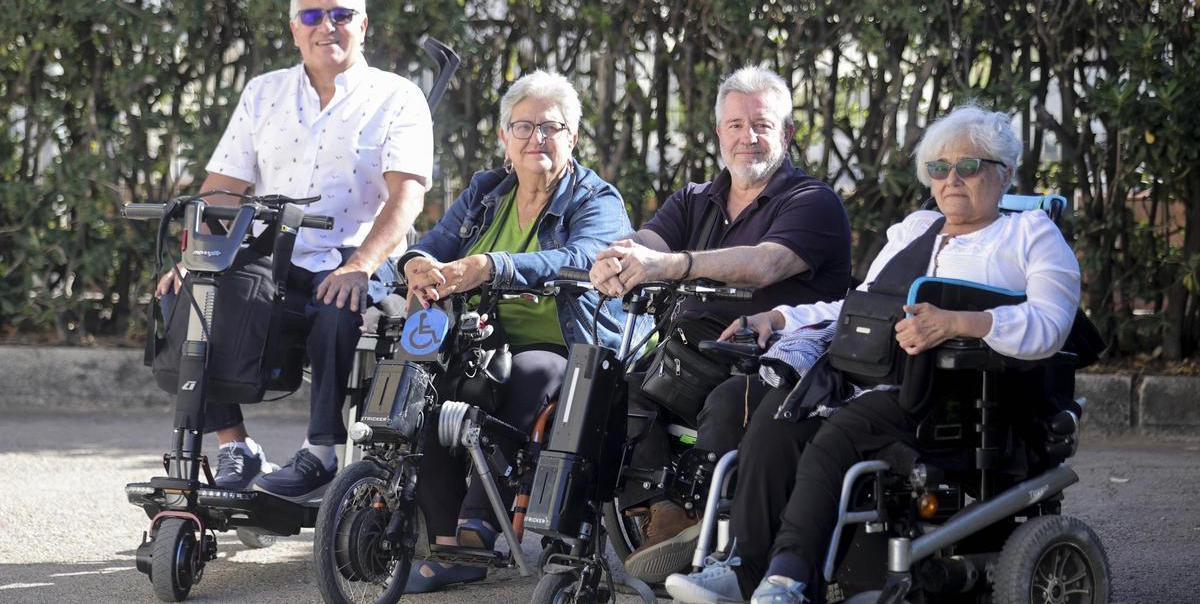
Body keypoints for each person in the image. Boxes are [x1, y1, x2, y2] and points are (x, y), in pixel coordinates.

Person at [665, 105, 1081, 604]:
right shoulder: (913, 231)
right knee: (779, 416)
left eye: (969, 167)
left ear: (1004, 173)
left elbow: (1051, 326)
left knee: (841, 431)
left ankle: (789, 577)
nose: (952, 179)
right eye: (938, 168)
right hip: (879, 374)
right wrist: (777, 319)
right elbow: (858, 308)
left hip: (959, 395)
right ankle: (744, 568)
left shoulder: (1030, 235)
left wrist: (959, 322)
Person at [154, 0, 432, 496]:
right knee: (196, 300)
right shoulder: (264, 93)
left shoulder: (397, 97)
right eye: (312, 15)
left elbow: (406, 199)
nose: (327, 26)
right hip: (273, 256)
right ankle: (235, 446)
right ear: (294, 29)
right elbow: (220, 192)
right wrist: (191, 259)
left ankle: (320, 453)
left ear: (363, 25)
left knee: (336, 308)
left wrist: (359, 266)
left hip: (360, 253)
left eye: (341, 14)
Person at [589, 65, 852, 583]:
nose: (747, 137)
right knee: (612, 394)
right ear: (718, 134)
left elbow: (764, 264)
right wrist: (616, 260)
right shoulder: (695, 198)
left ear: (788, 133)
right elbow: (647, 243)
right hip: (694, 355)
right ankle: (666, 513)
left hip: (777, 363)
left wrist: (675, 265)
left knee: (729, 402)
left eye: (761, 124)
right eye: (735, 125)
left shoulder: (812, 201)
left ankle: (717, 543)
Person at [397, 70, 638, 592]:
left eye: (551, 127)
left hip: (565, 344)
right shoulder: (487, 191)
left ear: (572, 137)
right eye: (523, 127)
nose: (537, 139)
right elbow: (433, 244)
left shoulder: (597, 199)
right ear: (504, 137)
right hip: (483, 338)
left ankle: (476, 534)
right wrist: (416, 266)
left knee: (523, 378)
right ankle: (437, 536)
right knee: (427, 395)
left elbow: (582, 257)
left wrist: (492, 265)